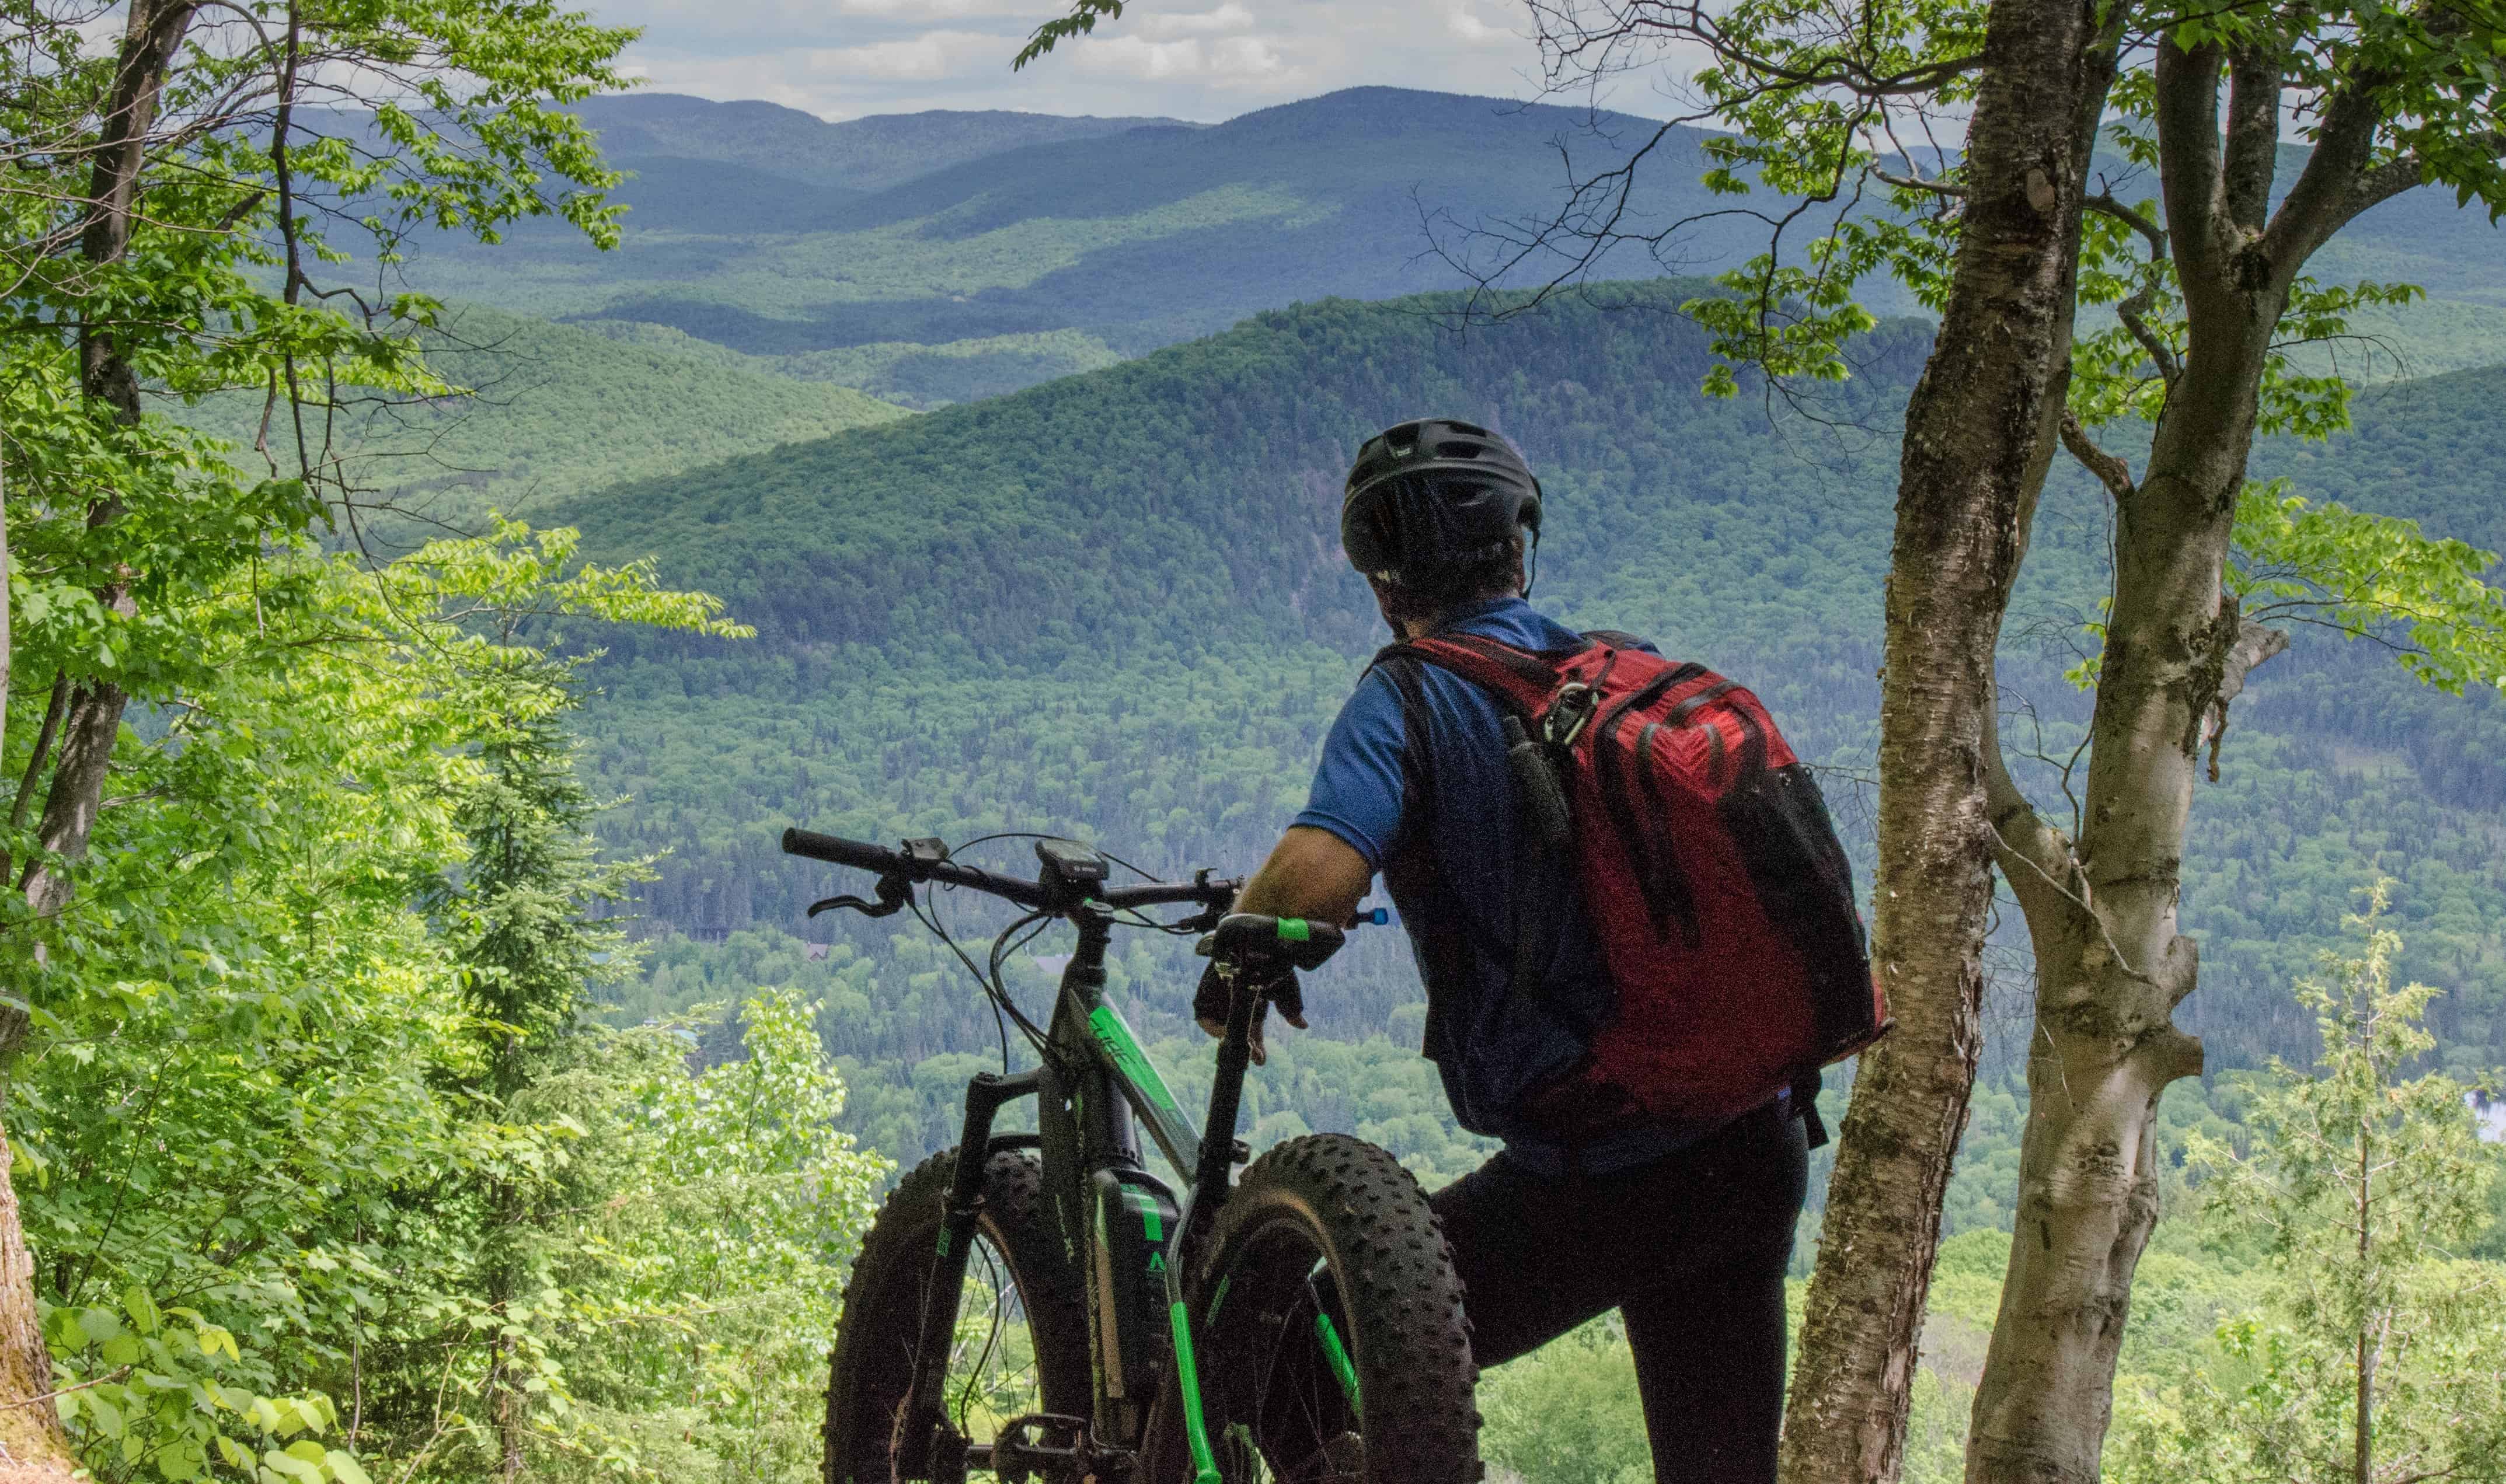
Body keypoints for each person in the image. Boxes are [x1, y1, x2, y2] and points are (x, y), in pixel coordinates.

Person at [1196, 417, 1810, 1484]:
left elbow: (1314, 890)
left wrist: (1232, 974)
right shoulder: (1618, 672)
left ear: (1383, 585)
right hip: (1750, 1144)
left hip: (1597, 1176)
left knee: (1299, 1355)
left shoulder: (1409, 693)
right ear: (1521, 549)